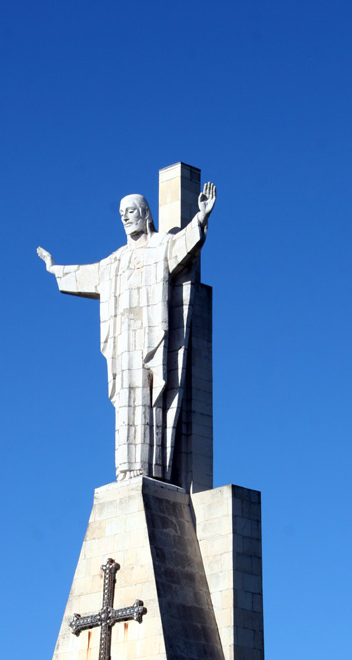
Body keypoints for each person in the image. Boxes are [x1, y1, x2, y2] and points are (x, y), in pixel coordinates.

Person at [37, 183, 216, 483]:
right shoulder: (115, 261)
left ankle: (150, 469)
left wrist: (201, 217)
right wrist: (55, 269)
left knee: (151, 398)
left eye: (130, 211)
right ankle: (126, 470)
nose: (125, 217)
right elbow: (87, 274)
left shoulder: (161, 246)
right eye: (121, 213)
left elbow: (184, 245)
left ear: (145, 214)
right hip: (124, 346)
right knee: (125, 404)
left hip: (153, 342)